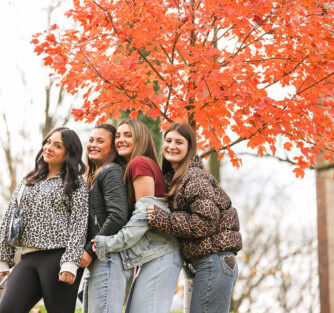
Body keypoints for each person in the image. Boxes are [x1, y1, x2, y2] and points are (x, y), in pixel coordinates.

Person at [146, 122, 242, 313]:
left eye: (179, 142)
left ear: (190, 148)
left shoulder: (194, 177)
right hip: (201, 263)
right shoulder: (174, 179)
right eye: (168, 140)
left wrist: (162, 219)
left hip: (214, 260)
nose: (172, 146)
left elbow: (205, 221)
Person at [0, 127, 89, 313]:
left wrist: (70, 263)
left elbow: (79, 224)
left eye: (57, 145)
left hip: (58, 258)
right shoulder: (29, 180)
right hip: (28, 258)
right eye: (48, 142)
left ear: (69, 153)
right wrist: (1, 262)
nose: (49, 147)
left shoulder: (75, 183)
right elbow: (10, 220)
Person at [93, 118, 183, 313]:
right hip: (153, 255)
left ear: (140, 139)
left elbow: (145, 215)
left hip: (162, 254)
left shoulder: (139, 163)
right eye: (118, 136)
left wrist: (111, 243)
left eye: (128, 135)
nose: (121, 140)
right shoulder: (133, 167)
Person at [80, 124, 129, 313]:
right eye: (91, 140)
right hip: (99, 258)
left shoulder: (111, 172)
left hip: (107, 258)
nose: (93, 144)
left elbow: (117, 216)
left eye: (100, 141)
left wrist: (90, 250)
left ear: (113, 148)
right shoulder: (95, 175)